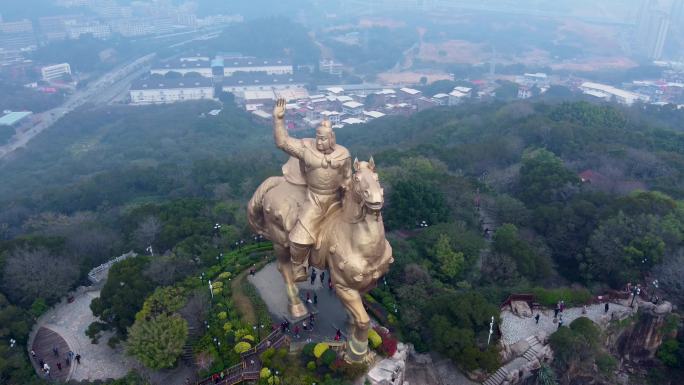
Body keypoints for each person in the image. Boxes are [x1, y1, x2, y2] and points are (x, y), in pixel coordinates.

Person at [272, 98, 352, 282]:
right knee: (300, 238)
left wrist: (350, 192)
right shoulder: (307, 150)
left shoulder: (344, 154)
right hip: (315, 199)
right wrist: (278, 120)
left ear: (332, 138)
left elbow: (348, 177)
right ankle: (299, 266)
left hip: (337, 199)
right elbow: (282, 142)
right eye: (317, 137)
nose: (319, 141)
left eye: (323, 138)